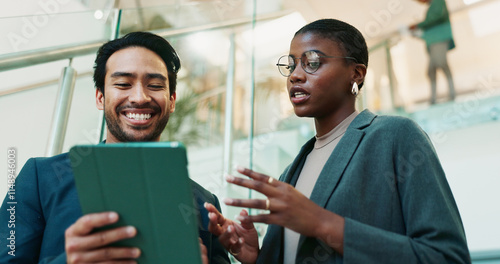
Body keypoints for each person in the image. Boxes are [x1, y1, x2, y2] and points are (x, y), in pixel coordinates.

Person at [206, 19, 470, 263]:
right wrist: (257, 256)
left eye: (312, 62)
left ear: (356, 73)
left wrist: (323, 223)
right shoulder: (293, 170)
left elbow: (447, 257)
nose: (295, 75)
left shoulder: (395, 136)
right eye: (292, 64)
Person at [0, 32, 229, 264]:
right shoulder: (40, 179)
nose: (139, 97)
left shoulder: (204, 203)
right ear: (100, 97)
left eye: (155, 85)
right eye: (122, 84)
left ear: (171, 101)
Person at [410, 0, 456, 104]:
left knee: (442, 64)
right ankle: (433, 99)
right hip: (433, 42)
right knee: (431, 71)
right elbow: (430, 29)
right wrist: (417, 33)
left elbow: (436, 17)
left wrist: (418, 25)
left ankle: (452, 94)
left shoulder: (438, 2)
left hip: (439, 40)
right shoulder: (431, 7)